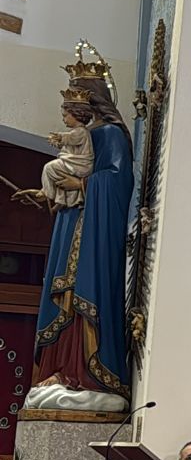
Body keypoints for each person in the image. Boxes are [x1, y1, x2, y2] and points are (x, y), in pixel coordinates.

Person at [14, 46, 133, 412]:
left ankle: (82, 372)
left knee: (81, 291)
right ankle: (59, 370)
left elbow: (118, 181)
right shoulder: (84, 135)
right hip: (71, 221)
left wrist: (80, 185)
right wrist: (46, 193)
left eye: (80, 95)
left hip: (93, 228)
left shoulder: (111, 134)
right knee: (61, 290)